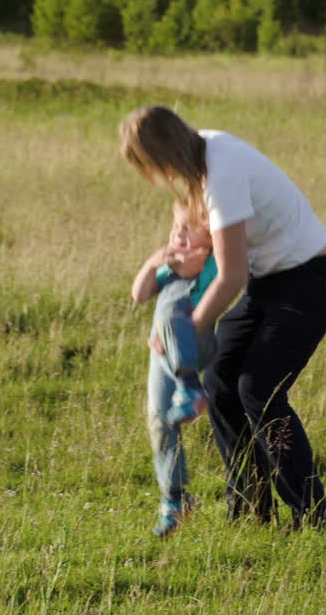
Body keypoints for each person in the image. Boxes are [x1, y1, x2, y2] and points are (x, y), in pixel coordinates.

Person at [120, 105, 326, 532]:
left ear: (163, 155)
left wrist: (185, 333)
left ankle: (313, 518)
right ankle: (252, 510)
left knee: (259, 389)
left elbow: (231, 275)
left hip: (311, 280)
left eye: (150, 166)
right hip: (269, 282)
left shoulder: (220, 173)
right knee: (221, 381)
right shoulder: (204, 156)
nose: (155, 177)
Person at [130, 198, 218, 538]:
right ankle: (176, 500)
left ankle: (190, 387)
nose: (177, 234)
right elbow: (138, 295)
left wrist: (189, 266)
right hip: (161, 356)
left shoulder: (213, 264)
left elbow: (211, 295)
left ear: (210, 236)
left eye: (187, 228)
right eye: (174, 226)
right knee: (159, 420)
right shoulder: (169, 265)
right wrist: (153, 263)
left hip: (195, 347)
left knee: (169, 313)